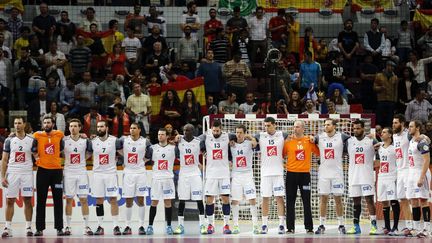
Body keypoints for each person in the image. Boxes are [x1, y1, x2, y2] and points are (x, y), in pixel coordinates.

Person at [1, 117, 37, 237]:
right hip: (13, 173)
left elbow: (37, 156)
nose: (17, 125)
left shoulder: (32, 139)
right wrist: (2, 177)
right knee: (10, 200)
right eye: (15, 123)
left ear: (24, 124)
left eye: (19, 123)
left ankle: (28, 227)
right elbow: (4, 160)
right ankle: (7, 227)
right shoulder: (8, 140)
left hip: (27, 173)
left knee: (27, 200)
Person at [313, 119, 349, 234]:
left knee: (338, 199)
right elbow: (311, 140)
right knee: (323, 199)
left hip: (337, 174)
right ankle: (321, 224)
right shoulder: (319, 137)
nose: (326, 126)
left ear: (334, 126)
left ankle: (341, 224)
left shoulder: (342, 136)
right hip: (323, 173)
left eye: (328, 124)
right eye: (325, 125)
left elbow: (354, 141)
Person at [283, 120, 319, 234]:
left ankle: (309, 227)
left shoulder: (309, 140)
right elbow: (282, 155)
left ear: (303, 128)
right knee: (290, 201)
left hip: (304, 175)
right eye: (294, 127)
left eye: (297, 127)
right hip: (291, 174)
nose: (295, 129)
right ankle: (290, 227)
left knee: (306, 201)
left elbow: (319, 152)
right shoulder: (288, 142)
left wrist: (316, 139)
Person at [199, 120, 233, 234]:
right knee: (209, 200)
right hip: (211, 174)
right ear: (211, 129)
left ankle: (226, 225)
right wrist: (202, 149)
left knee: (225, 199)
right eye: (214, 130)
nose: (216, 132)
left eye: (218, 130)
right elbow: (194, 139)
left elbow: (239, 135)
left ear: (221, 129)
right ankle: (210, 225)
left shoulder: (227, 136)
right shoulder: (206, 136)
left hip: (224, 174)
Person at [254, 117, 288, 234]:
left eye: (269, 125)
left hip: (278, 173)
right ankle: (264, 225)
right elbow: (250, 139)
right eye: (265, 125)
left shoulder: (282, 134)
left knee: (279, 198)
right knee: (265, 199)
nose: (266, 127)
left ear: (274, 125)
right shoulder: (260, 136)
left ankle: (281, 225)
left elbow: (292, 137)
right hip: (265, 174)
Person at [88, 120, 122, 236]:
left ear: (106, 128)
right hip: (97, 174)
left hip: (110, 174)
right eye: (98, 127)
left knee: (113, 199)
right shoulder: (93, 141)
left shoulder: (114, 140)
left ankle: (115, 226)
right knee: (99, 200)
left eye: (102, 126)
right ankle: (100, 226)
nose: (99, 129)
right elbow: (86, 155)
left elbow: (123, 153)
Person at [33, 116, 65, 236]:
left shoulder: (59, 134)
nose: (46, 124)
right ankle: (39, 228)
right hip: (42, 171)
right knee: (41, 200)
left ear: (53, 124)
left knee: (58, 200)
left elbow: (62, 148)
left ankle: (59, 228)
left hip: (57, 172)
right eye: (45, 123)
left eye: (49, 122)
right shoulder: (37, 135)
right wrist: (38, 159)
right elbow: (33, 149)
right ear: (42, 125)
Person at [346, 119, 378, 235]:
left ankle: (374, 225)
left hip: (366, 176)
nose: (356, 130)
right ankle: (356, 226)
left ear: (363, 129)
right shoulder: (349, 141)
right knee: (356, 202)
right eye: (354, 128)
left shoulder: (371, 140)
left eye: (358, 128)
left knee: (369, 200)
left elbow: (381, 149)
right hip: (353, 176)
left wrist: (377, 161)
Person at [173, 124, 206, 235]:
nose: (185, 132)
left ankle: (202, 225)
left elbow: (206, 136)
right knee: (182, 200)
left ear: (193, 131)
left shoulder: (198, 141)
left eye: (187, 130)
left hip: (195, 174)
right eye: (184, 130)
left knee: (199, 199)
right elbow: (174, 149)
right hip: (183, 174)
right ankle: (180, 225)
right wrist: (176, 139)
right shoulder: (179, 141)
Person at [62, 119, 93, 236]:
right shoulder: (64, 140)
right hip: (69, 173)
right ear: (68, 128)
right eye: (71, 126)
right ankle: (68, 226)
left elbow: (90, 152)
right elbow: (60, 152)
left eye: (75, 126)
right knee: (69, 199)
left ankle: (86, 226)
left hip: (81, 173)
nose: (73, 128)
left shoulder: (85, 141)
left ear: (80, 128)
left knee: (84, 200)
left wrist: (83, 159)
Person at [145, 128, 178, 235]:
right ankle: (150, 226)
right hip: (156, 179)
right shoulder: (152, 148)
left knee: (167, 202)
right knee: (154, 202)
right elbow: (144, 160)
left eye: (162, 134)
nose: (160, 136)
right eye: (159, 134)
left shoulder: (173, 148)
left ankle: (168, 226)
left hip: (168, 178)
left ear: (167, 136)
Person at [120, 123, 151, 235]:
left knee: (141, 200)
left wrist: (143, 161)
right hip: (128, 173)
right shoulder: (124, 140)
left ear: (139, 130)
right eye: (131, 128)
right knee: (128, 200)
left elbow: (150, 153)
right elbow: (114, 145)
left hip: (140, 173)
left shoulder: (145, 141)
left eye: (134, 128)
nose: (132, 130)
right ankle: (127, 225)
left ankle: (141, 226)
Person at [230, 124, 259, 234]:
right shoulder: (231, 144)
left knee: (252, 199)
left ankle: (255, 225)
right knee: (235, 200)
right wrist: (232, 139)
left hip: (247, 175)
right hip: (236, 175)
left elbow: (255, 143)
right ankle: (236, 225)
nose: (238, 134)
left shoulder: (249, 143)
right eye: (237, 132)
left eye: (241, 132)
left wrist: (250, 137)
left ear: (245, 132)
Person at [406, 120, 431, 238]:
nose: (409, 128)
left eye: (411, 127)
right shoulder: (411, 140)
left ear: (417, 128)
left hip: (421, 173)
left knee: (423, 200)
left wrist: (421, 177)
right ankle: (416, 228)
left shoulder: (421, 141)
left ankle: (427, 229)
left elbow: (427, 160)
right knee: (413, 201)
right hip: (411, 173)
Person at [392, 114, 413, 236]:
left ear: (402, 123)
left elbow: (420, 137)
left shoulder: (408, 134)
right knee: (403, 199)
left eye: (396, 123)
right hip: (399, 172)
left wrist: (425, 138)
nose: (393, 125)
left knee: (412, 199)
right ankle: (408, 226)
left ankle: (415, 226)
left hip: (409, 170)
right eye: (393, 123)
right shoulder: (394, 136)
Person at [376, 127, 400, 235]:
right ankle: (387, 227)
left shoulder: (395, 148)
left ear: (390, 135)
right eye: (382, 132)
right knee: (384, 202)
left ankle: (395, 227)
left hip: (392, 177)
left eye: (384, 132)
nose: (382, 133)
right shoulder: (379, 147)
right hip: (381, 177)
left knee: (393, 200)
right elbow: (377, 162)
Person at [374, 61, 399, 127]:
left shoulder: (395, 77)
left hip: (391, 101)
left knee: (389, 119)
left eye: (393, 67)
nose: (392, 68)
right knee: (380, 118)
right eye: (391, 66)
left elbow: (396, 90)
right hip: (381, 100)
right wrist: (380, 88)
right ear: (387, 66)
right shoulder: (379, 75)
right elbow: (374, 87)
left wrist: (395, 101)